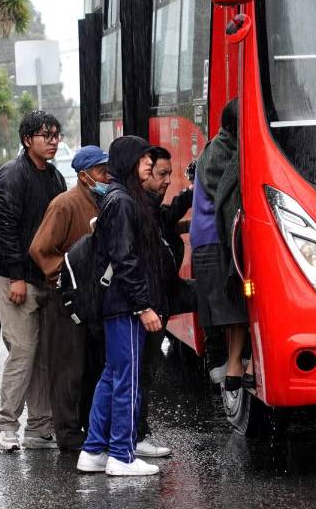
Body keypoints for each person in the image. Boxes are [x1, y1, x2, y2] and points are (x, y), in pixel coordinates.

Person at [77, 135, 164, 477]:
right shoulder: (124, 202)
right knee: (126, 379)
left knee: (111, 375)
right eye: (145, 159)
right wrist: (144, 306)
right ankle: (122, 456)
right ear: (130, 161)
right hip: (125, 305)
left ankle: (94, 450)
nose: (149, 164)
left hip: (114, 302)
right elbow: (125, 260)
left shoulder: (116, 198)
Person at [0, 110, 67, 452]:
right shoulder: (10, 177)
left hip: (46, 279)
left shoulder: (55, 178)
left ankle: (40, 426)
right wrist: (17, 277)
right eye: (45, 136)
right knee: (23, 351)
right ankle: (6, 425)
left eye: (55, 135)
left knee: (45, 355)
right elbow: (5, 232)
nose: (52, 142)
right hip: (15, 278)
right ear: (26, 140)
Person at [27, 145, 110, 452]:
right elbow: (39, 248)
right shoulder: (65, 204)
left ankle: (88, 426)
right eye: (102, 171)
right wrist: (64, 274)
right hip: (65, 296)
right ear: (84, 175)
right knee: (68, 368)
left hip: (92, 296)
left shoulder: (103, 201)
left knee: (92, 364)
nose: (107, 176)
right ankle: (68, 433)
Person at [131, 145, 194, 460]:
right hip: (151, 302)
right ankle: (136, 434)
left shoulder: (151, 204)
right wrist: (145, 307)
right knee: (141, 370)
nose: (168, 180)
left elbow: (168, 218)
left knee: (217, 292)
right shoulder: (136, 207)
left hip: (164, 294)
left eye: (170, 174)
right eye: (161, 174)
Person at [192, 101, 250, 392]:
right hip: (212, 240)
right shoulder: (219, 153)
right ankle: (233, 365)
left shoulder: (223, 146)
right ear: (234, 127)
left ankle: (232, 365)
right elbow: (229, 195)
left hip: (215, 239)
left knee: (231, 304)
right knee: (234, 304)